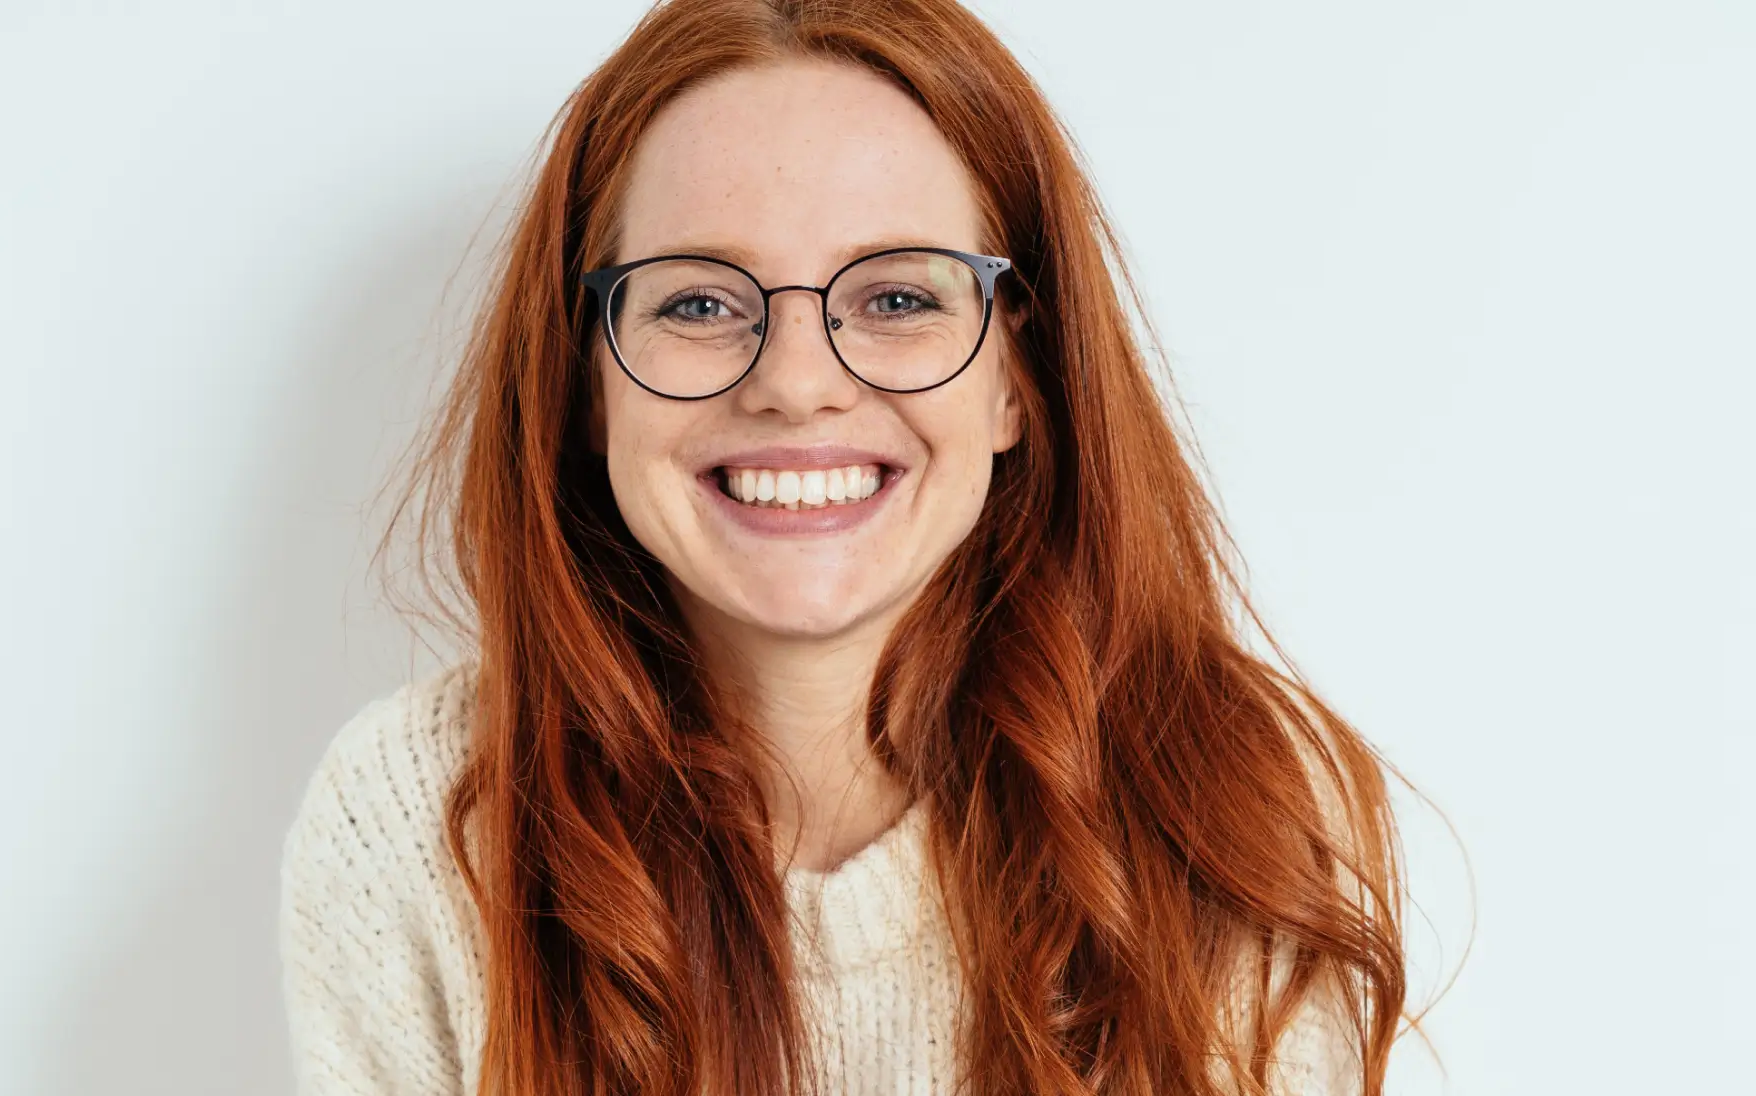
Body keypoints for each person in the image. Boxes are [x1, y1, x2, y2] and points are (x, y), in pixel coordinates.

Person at [275, 1, 1419, 1094]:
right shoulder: (424, 823)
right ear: (588, 381)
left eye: (897, 298)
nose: (797, 384)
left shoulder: (1234, 806)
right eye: (700, 304)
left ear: (1015, 380)